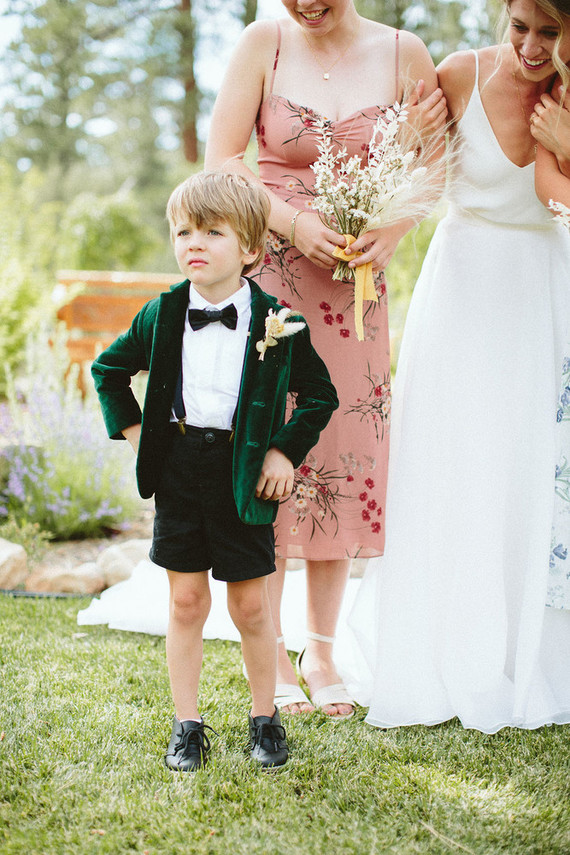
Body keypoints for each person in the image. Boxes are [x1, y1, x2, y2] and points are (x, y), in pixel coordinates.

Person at [204, 0, 446, 718]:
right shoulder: (262, 44)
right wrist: (293, 222)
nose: (306, 2)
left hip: (356, 289)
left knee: (340, 454)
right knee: (277, 453)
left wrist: (394, 231)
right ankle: (271, 644)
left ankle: (323, 646)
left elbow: (433, 161)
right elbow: (222, 159)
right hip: (273, 278)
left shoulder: (405, 52)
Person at [348, 0, 570, 733]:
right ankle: (437, 639)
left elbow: (550, 193)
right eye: (520, 27)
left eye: (550, 31)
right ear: (501, 17)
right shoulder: (458, 72)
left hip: (539, 289)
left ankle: (516, 646)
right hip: (463, 282)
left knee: (523, 454)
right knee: (450, 452)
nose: (531, 46)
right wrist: (392, 196)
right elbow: (422, 179)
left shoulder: (565, 93)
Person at [91, 171, 338, 771]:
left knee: (251, 605)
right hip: (179, 469)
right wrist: (136, 435)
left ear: (250, 249)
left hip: (244, 472)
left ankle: (264, 717)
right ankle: (187, 724)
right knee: (184, 601)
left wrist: (282, 451)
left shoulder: (278, 321)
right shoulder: (162, 313)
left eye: (211, 231)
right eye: (183, 231)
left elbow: (320, 396)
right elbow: (108, 371)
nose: (192, 242)